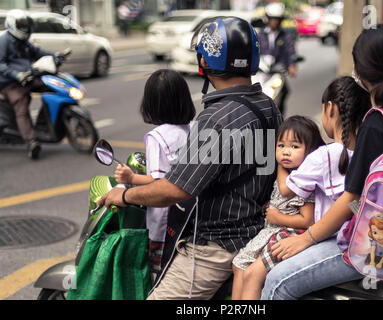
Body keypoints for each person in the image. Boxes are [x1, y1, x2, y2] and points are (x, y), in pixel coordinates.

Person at [98, 16, 282, 300]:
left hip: (217, 246)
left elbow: (174, 189)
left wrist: (122, 196)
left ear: (205, 62)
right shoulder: (268, 107)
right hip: (257, 234)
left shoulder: (217, 118)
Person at [261, 23, 383, 300]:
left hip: (374, 247)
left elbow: (350, 201)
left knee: (277, 282)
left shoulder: (375, 125)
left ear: (360, 71)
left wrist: (306, 239)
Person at [231, 115, 325, 300]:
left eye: (294, 146)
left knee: (252, 274)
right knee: (239, 265)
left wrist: (275, 217)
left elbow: (308, 220)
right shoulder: (289, 172)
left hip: (289, 234)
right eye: (281, 146)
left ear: (311, 152)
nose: (286, 152)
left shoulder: (304, 181)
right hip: (273, 230)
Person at [113, 69, 195, 279]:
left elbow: (159, 181)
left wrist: (131, 178)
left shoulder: (157, 137)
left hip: (162, 221)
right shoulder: (192, 130)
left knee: (157, 276)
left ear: (151, 103)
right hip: (187, 219)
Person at [0, 9, 56, 159]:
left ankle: (44, 124)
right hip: (10, 83)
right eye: (22, 26)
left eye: (27, 26)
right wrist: (16, 74)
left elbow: (38, 52)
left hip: (27, 78)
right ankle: (31, 142)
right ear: (12, 25)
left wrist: (55, 56)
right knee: (21, 106)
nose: (26, 29)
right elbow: (1, 65)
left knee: (53, 87)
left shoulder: (23, 41)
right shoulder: (4, 41)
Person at [257, 2, 297, 113]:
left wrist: (292, 65)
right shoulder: (260, 34)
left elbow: (291, 52)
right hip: (261, 72)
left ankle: (280, 118)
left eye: (277, 19)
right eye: (272, 18)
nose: (275, 21)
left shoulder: (286, 36)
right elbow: (254, 50)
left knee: (285, 91)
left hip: (277, 72)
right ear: (268, 19)